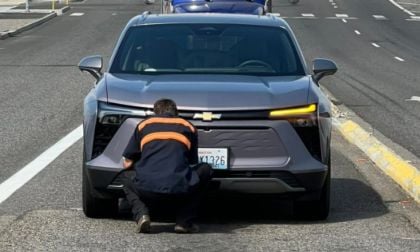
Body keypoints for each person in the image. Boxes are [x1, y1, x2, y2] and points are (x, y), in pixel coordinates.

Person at [120, 98, 212, 233]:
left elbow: (127, 162)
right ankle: (184, 221)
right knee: (206, 170)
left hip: (147, 188)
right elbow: (192, 161)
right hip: (179, 188)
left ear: (155, 112)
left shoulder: (144, 125)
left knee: (124, 175)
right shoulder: (188, 126)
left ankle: (141, 214)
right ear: (176, 113)